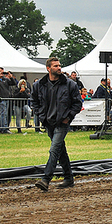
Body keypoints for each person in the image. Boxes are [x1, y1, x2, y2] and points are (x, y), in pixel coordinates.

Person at [32, 57, 83, 191]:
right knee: (60, 150)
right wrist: (40, 115)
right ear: (48, 68)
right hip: (49, 122)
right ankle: (69, 178)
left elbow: (78, 103)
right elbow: (34, 101)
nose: (59, 68)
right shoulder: (39, 85)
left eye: (59, 65)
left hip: (62, 122)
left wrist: (68, 117)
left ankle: (46, 179)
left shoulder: (69, 84)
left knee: (54, 149)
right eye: (55, 66)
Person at [0, 67, 17, 133]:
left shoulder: (5, 79)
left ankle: (5, 127)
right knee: (3, 114)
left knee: (6, 114)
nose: (2, 73)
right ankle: (4, 128)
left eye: (2, 71)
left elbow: (13, 83)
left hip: (7, 99)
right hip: (2, 99)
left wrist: (11, 77)